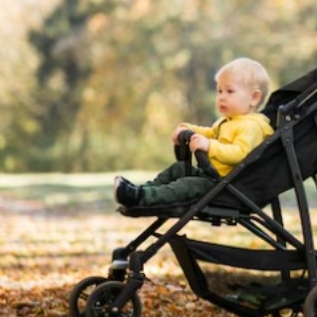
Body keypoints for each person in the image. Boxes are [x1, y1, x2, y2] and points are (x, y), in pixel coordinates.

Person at [114, 57, 274, 207]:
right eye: (219, 91)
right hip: (211, 177)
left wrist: (209, 146)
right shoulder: (228, 122)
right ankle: (141, 191)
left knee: (186, 185)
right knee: (179, 169)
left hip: (225, 185)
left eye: (230, 91)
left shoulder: (252, 126)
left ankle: (143, 198)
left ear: (254, 98)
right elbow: (211, 133)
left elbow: (241, 153)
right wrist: (188, 129)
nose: (222, 97)